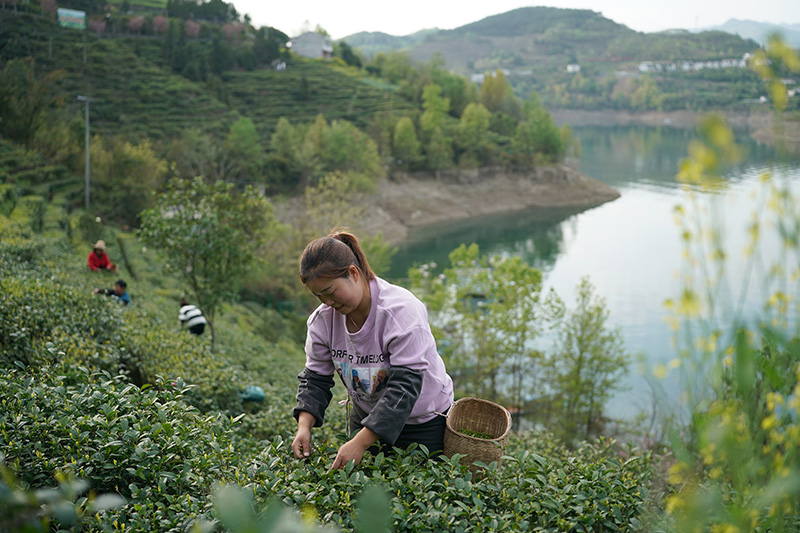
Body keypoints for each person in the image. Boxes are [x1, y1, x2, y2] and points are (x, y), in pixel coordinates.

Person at [291, 230, 454, 470]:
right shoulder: (323, 321)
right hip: (367, 420)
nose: (328, 303)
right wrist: (304, 427)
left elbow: (405, 387)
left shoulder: (400, 312)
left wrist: (360, 443)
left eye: (330, 292)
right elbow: (315, 378)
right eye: (319, 296)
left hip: (423, 425)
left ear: (353, 273)